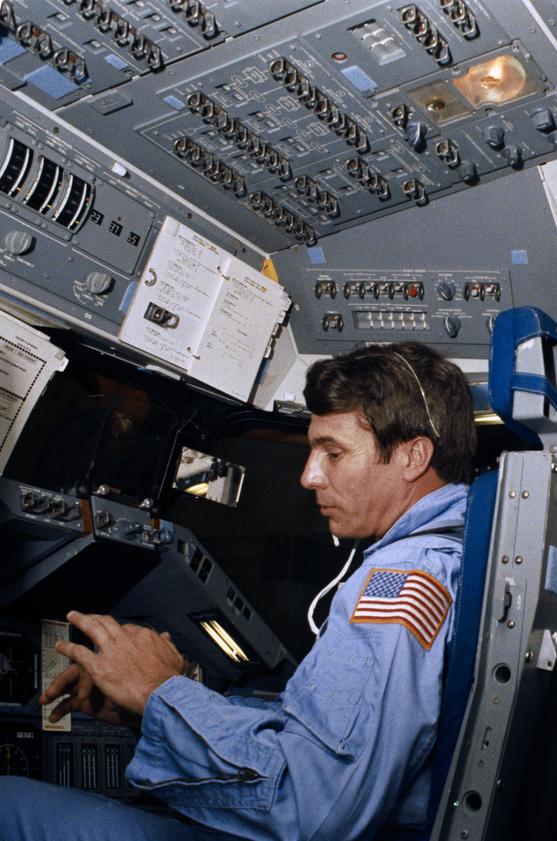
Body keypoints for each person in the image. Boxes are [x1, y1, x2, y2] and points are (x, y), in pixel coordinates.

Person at [0, 342, 477, 841]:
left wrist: (160, 692)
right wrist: (155, 709)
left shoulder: (399, 584)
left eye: (333, 453)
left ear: (412, 456)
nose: (308, 475)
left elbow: (315, 810)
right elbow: (317, 736)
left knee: (9, 805)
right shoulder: (451, 558)